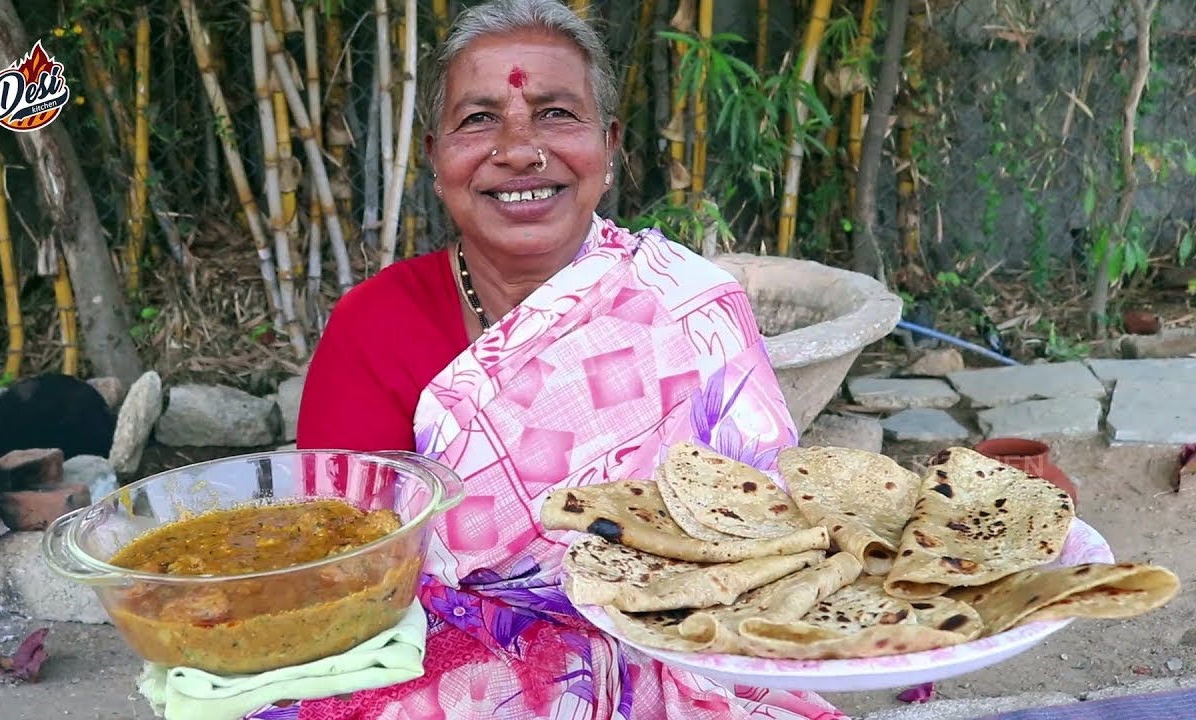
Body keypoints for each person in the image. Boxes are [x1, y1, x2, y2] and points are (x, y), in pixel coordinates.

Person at [295, 1, 848, 718]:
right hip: (445, 680)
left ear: (609, 146)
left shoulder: (687, 304)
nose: (521, 149)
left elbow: (763, 547)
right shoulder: (374, 327)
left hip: (694, 657)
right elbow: (341, 581)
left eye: (557, 114)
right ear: (434, 158)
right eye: (478, 119)